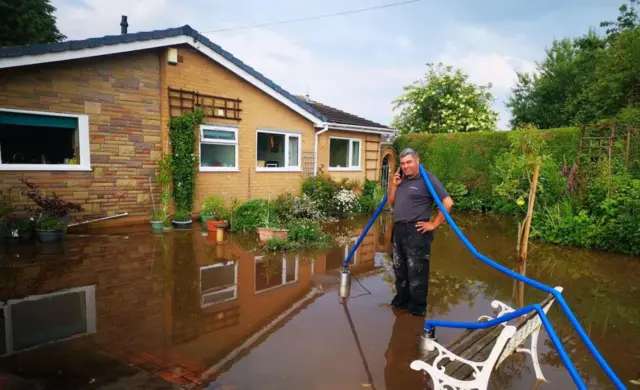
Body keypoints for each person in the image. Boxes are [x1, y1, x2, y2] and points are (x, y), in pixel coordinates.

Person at [387, 148, 454, 316]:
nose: (406, 166)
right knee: (399, 269)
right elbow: (391, 202)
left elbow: (448, 202)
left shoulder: (427, 179)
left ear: (417, 161)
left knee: (416, 273)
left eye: (409, 162)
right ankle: (402, 302)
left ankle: (417, 311)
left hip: (417, 232)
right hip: (399, 230)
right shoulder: (401, 179)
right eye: (402, 163)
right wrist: (394, 186)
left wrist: (433, 224)